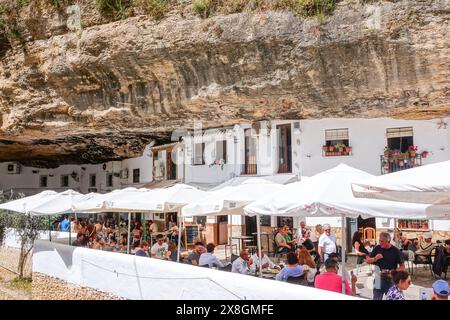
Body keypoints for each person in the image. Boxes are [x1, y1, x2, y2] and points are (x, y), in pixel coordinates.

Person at [366, 232, 405, 300]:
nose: (380, 243)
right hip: (378, 278)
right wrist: (375, 258)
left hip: (391, 279)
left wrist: (392, 272)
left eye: (382, 241)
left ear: (388, 241)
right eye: (379, 241)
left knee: (393, 298)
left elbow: (402, 267)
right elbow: (367, 260)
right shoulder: (377, 248)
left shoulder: (396, 251)